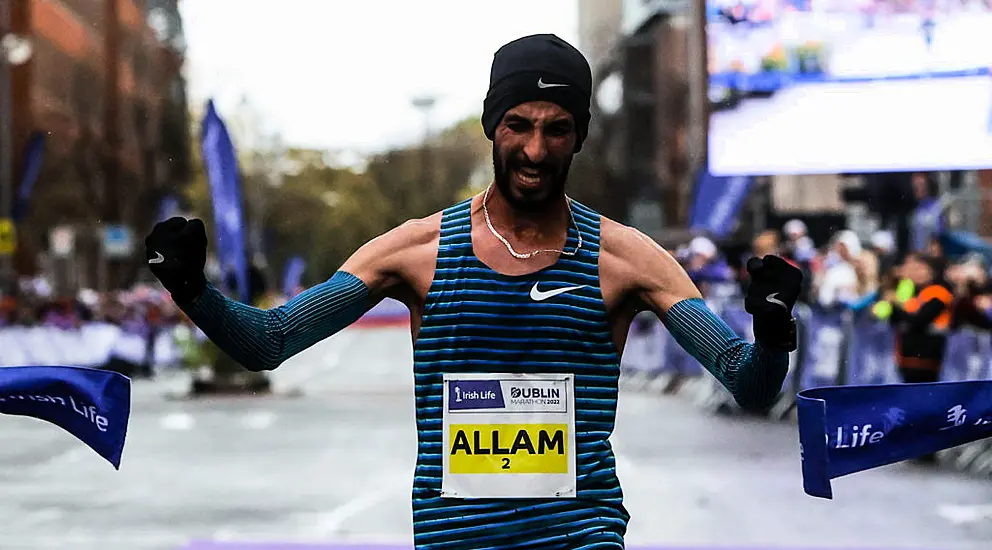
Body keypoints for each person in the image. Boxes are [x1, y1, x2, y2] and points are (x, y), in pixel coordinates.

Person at [145, 34, 803, 549]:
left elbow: (746, 383)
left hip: (581, 534)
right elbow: (271, 341)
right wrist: (191, 289)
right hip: (456, 539)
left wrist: (773, 333)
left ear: (579, 134)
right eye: (519, 124)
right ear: (492, 125)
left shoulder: (628, 258)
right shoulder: (416, 250)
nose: (536, 150)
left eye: (558, 128)